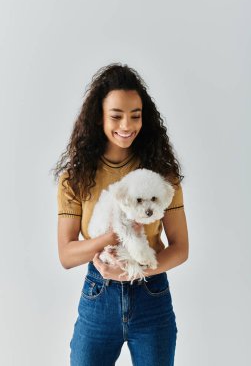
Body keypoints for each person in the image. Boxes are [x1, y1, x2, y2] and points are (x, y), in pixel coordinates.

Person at [52, 63, 189, 366]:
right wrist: (109, 238)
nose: (126, 125)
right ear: (98, 117)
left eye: (135, 115)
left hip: (151, 295)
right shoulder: (75, 179)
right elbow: (66, 254)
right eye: (116, 115)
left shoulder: (162, 177)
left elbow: (180, 248)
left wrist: (136, 271)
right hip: (98, 296)